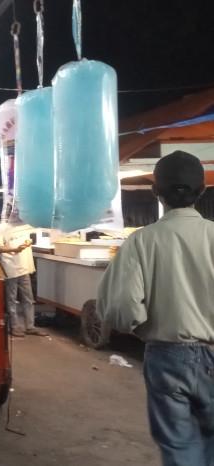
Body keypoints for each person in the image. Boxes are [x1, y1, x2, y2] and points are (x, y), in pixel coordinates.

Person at [97, 151, 214, 466]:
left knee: (179, 448)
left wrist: (138, 326)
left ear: (156, 192)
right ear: (202, 191)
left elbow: (121, 308)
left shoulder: (141, 242)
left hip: (167, 357)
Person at [0, 223, 48, 337]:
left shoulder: (26, 226)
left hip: (24, 268)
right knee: (11, 299)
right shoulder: (2, 228)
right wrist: (15, 249)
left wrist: (29, 242)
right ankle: (14, 327)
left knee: (28, 299)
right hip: (10, 268)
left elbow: (31, 237)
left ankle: (30, 326)